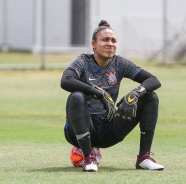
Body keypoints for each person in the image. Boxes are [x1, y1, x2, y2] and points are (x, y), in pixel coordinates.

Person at [60, 20, 164, 172]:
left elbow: (153, 80)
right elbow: (66, 80)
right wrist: (98, 92)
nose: (110, 43)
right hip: (79, 131)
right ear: (94, 44)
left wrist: (135, 93)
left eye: (113, 40)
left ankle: (144, 158)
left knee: (151, 97)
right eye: (105, 40)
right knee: (76, 97)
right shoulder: (83, 61)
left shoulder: (120, 63)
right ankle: (89, 158)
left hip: (108, 130)